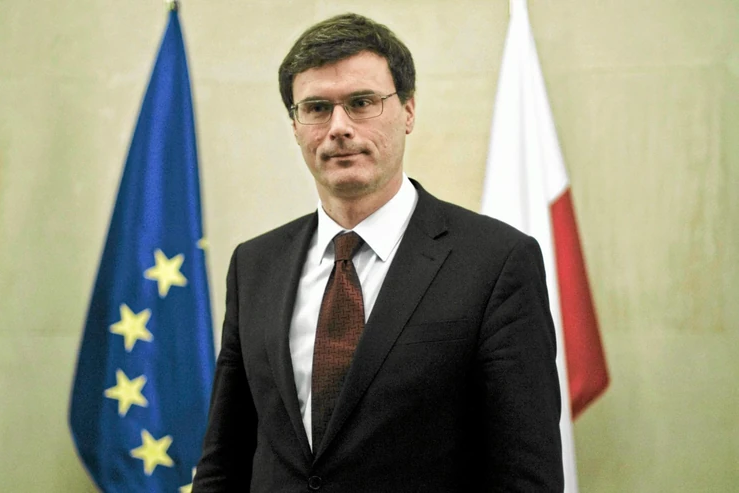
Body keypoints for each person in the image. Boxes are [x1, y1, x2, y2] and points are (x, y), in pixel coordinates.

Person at [192, 13, 563, 493]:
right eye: (317, 108)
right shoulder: (254, 265)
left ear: (408, 111)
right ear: (295, 125)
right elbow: (224, 459)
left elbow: (525, 474)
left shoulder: (496, 262)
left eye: (362, 103)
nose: (339, 127)